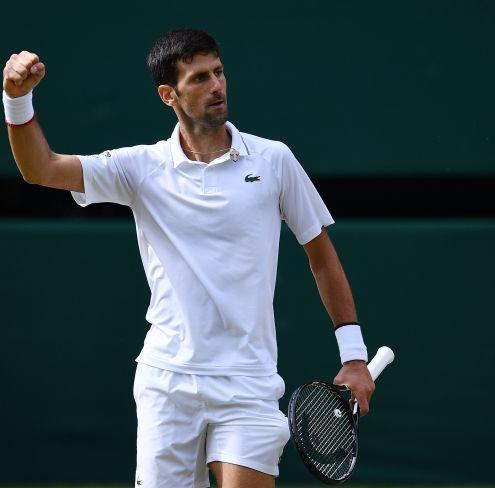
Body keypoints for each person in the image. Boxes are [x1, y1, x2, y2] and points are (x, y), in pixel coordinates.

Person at [3, 29, 374, 488]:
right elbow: (40, 169)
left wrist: (354, 356)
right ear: (168, 95)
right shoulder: (139, 167)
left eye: (218, 72)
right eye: (199, 78)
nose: (217, 85)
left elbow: (321, 257)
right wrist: (17, 100)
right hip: (166, 384)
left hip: (248, 383)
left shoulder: (274, 160)